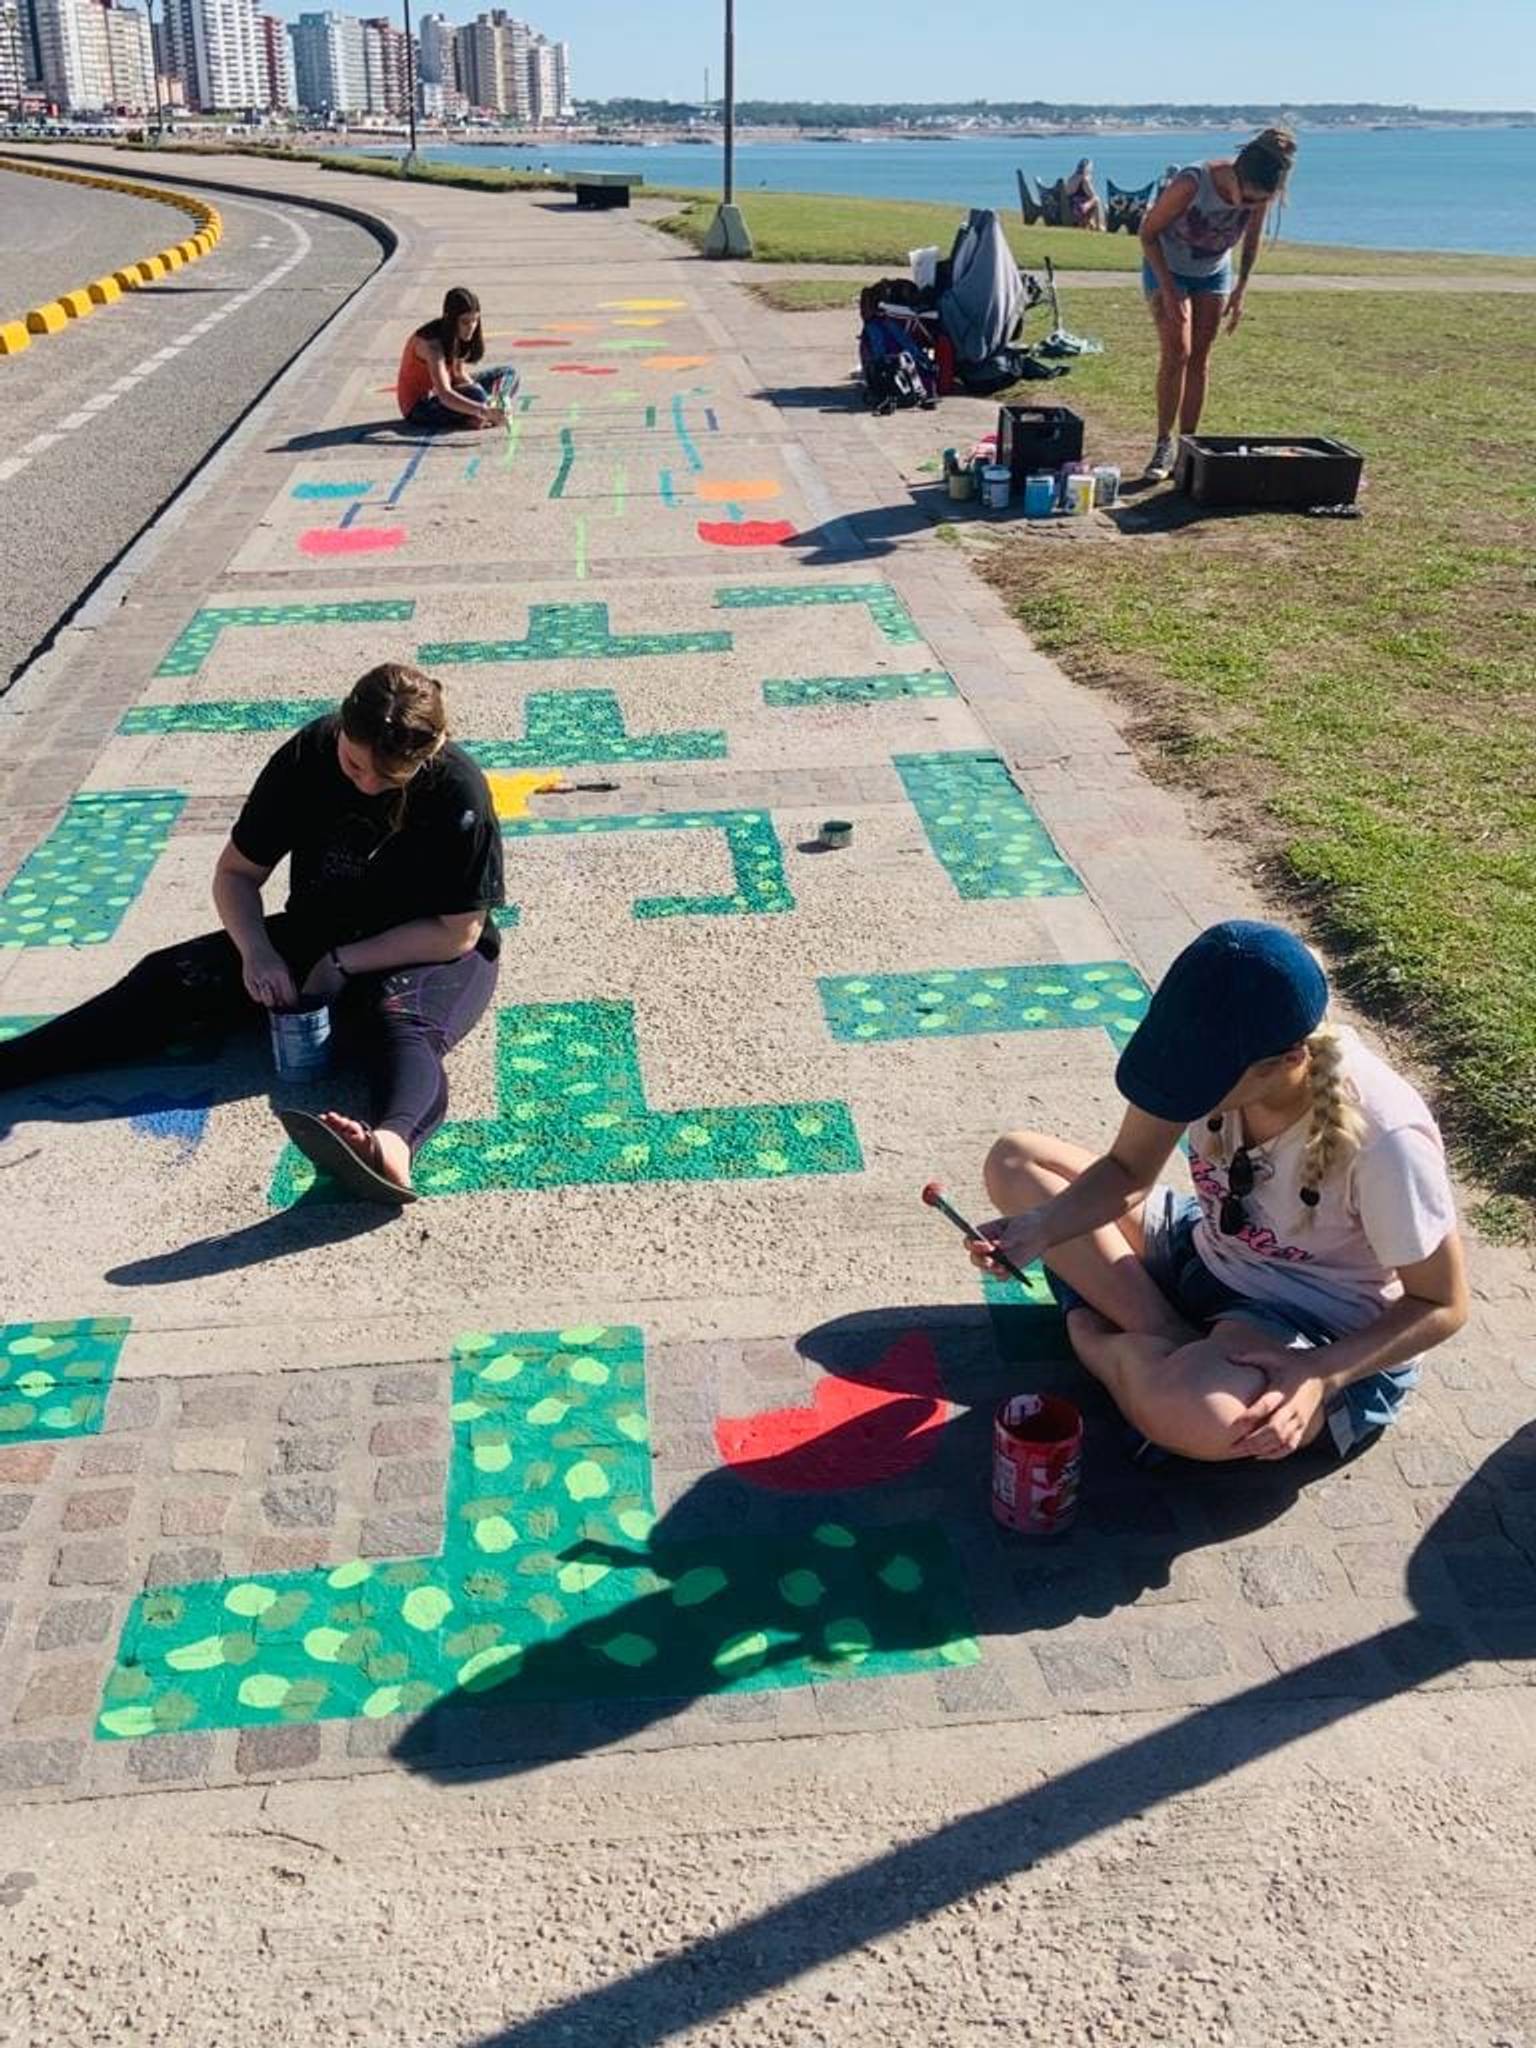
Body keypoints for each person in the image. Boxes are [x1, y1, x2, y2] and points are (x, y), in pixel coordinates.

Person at [0, 665, 505, 1206]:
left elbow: (458, 932)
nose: (367, 785)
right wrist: (257, 953)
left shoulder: (457, 789)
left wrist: (340, 963)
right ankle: (15, 1063)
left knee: (397, 1022)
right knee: (171, 978)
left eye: (388, 779)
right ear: (341, 728)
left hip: (424, 950)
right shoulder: (308, 755)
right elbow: (236, 875)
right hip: (321, 929)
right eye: (356, 765)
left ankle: (389, 1149)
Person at [968, 921, 1467, 1464]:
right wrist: (1041, 1228)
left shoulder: (1386, 1138)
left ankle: (1097, 1341)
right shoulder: (1202, 1052)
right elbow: (1128, 1170)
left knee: (1202, 1416)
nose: (1180, 1096)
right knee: (1015, 1162)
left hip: (1313, 1327)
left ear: (1289, 1061)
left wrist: (1321, 1373)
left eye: (1199, 1085)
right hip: (1206, 1246)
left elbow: (1441, 1303)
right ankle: (1166, 1335)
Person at [1137, 127, 1297, 481]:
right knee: (1177, 351)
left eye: (1258, 203)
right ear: (1237, 174)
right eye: (1247, 199)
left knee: (1200, 358)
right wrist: (1168, 287)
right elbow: (1147, 234)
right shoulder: (1193, 183)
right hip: (1168, 265)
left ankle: (1188, 448)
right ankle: (1163, 443)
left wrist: (1241, 287)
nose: (1248, 207)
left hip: (1213, 270)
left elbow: (1251, 240)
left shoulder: (1261, 193)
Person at [396, 285, 518, 433]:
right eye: (465, 322)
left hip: (444, 391)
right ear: (451, 319)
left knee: (508, 374)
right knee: (477, 396)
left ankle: (494, 408)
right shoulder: (431, 345)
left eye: (475, 320)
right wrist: (482, 409)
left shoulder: (457, 335)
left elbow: (458, 374)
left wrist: (482, 397)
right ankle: (478, 415)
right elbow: (445, 394)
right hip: (420, 408)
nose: (471, 327)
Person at [1065, 158, 1106, 232]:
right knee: (1097, 200)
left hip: (1070, 207)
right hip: (1079, 209)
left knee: (1090, 202)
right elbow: (1093, 195)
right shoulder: (1084, 180)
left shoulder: (1071, 178)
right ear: (1087, 169)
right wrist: (1089, 181)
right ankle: (1099, 226)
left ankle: (1090, 223)